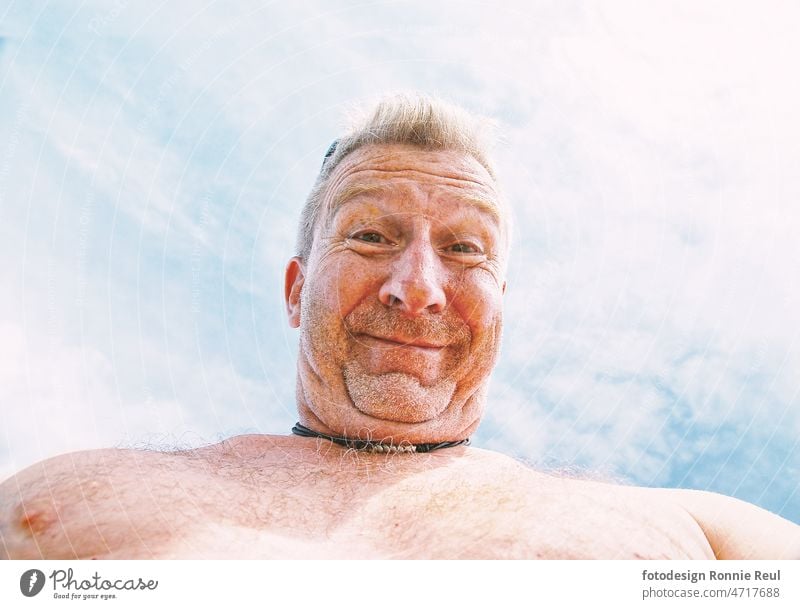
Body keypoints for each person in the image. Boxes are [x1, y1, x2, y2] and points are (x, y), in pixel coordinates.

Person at [1, 94, 798, 559]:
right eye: (372, 236)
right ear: (295, 288)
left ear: (501, 306)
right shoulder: (52, 499)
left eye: (463, 249)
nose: (417, 288)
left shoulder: (695, 533)